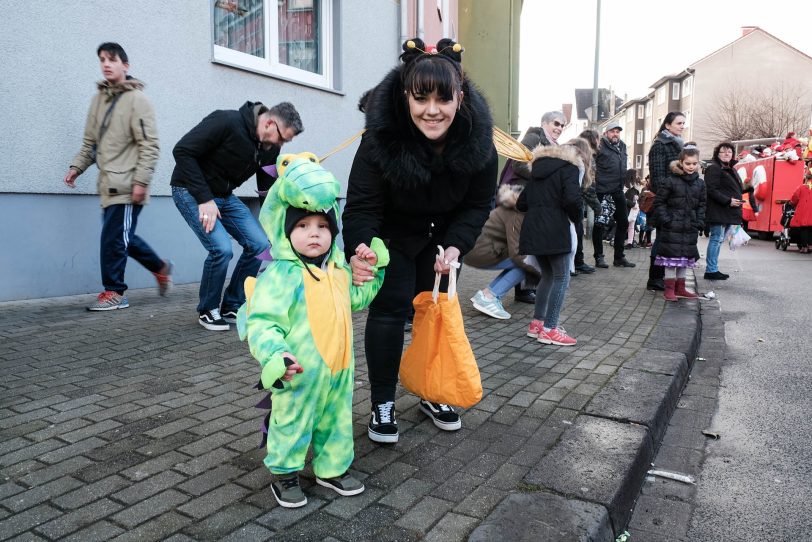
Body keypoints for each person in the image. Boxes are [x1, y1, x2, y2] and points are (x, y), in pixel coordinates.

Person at [342, 38, 497, 443]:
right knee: (390, 310)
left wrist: (456, 246)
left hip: (442, 238)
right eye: (421, 98)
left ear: (459, 98)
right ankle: (382, 403)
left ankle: (433, 391)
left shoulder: (481, 141)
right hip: (391, 234)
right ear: (405, 96)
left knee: (436, 312)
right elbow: (361, 205)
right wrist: (360, 247)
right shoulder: (380, 138)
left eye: (443, 99)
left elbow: (478, 204)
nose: (432, 110)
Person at [237, 153, 388, 507]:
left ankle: (332, 468)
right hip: (298, 371)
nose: (314, 234)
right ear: (286, 231)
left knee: (336, 421)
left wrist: (375, 270)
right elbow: (263, 322)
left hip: (339, 370)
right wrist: (277, 355)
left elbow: (357, 297)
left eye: (321, 226)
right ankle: (285, 474)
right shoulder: (281, 275)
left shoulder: (337, 270)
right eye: (302, 226)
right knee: (292, 421)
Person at [171, 101, 303, 331]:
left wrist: (275, 221)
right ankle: (208, 309)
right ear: (270, 122)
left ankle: (232, 304)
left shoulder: (270, 147)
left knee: (261, 245)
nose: (280, 144)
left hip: (224, 196)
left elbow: (266, 187)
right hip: (190, 191)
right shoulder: (226, 121)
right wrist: (204, 199)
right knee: (221, 249)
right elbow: (182, 151)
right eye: (282, 138)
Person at [64, 42, 171, 311]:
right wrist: (77, 167)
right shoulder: (98, 100)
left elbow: (149, 145)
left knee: (113, 239)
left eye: (112, 59)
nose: (106, 64)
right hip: (108, 183)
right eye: (102, 59)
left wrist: (141, 181)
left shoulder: (138, 101)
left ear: (125, 65)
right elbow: (90, 142)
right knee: (123, 237)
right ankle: (160, 267)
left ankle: (114, 292)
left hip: (127, 183)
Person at [519, 139, 590, 346]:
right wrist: (576, 219)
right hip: (556, 229)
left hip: (533, 230)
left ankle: (537, 324)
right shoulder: (569, 168)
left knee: (547, 276)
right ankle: (550, 329)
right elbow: (572, 200)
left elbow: (521, 202)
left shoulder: (537, 171)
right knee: (561, 277)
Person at [505, 111, 570, 300]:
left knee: (534, 246)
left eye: (562, 126)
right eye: (556, 123)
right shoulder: (534, 137)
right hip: (521, 198)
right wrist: (544, 179)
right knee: (523, 248)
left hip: (536, 201)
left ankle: (527, 288)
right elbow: (518, 164)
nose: (559, 128)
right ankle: (514, 291)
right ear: (544, 123)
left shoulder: (554, 145)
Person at [466, 180, 540, 320]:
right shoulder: (518, 212)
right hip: (480, 252)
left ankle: (486, 294)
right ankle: (490, 296)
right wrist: (539, 272)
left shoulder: (515, 206)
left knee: (527, 262)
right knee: (529, 262)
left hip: (479, 250)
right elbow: (517, 252)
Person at [653, 147, 706, 301]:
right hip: (672, 226)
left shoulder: (700, 184)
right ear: (681, 163)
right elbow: (659, 202)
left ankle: (681, 288)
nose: (691, 166)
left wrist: (699, 221)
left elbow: (702, 204)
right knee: (671, 260)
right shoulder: (670, 181)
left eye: (694, 163)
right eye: (688, 163)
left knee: (684, 258)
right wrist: (666, 219)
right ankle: (669, 289)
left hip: (690, 226)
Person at [646, 111, 686, 291]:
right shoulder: (660, 145)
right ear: (668, 125)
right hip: (666, 201)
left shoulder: (679, 145)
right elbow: (657, 179)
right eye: (679, 123)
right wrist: (671, 196)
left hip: (677, 200)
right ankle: (655, 278)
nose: (682, 126)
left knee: (667, 240)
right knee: (662, 239)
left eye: (683, 123)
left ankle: (664, 278)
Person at [594, 121, 635, 268]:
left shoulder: (622, 146)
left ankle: (619, 257)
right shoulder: (599, 146)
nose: (615, 134)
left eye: (618, 131)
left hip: (617, 190)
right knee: (600, 224)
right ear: (606, 133)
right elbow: (592, 166)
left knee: (623, 222)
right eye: (612, 131)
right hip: (603, 191)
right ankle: (599, 257)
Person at [704, 142, 743, 279]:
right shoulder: (714, 168)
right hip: (718, 211)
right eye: (723, 151)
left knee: (719, 240)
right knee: (716, 239)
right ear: (717, 154)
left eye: (729, 152)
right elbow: (710, 190)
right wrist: (728, 200)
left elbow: (733, 189)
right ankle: (711, 270)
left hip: (727, 211)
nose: (727, 154)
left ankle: (713, 268)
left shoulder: (730, 169)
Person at [789, 174, 812, 253]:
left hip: (804, 210)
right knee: (810, 229)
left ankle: (804, 247)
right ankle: (810, 245)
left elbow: (794, 198)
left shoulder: (802, 187)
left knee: (804, 229)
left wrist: (792, 203)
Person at [624, 169, 641, 249]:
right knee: (628, 226)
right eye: (636, 174)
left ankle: (629, 242)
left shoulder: (634, 186)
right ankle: (628, 242)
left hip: (632, 209)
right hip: (630, 208)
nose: (637, 175)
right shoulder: (628, 186)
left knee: (631, 226)